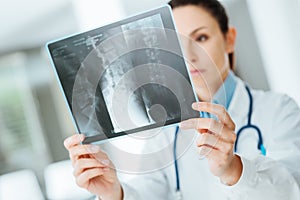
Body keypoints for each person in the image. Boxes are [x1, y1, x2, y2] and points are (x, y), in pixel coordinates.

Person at [64, 0, 300, 199]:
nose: (189, 55)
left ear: (229, 39)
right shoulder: (166, 130)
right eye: (176, 44)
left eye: (202, 37)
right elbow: (147, 192)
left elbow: (293, 189)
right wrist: (115, 194)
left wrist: (234, 169)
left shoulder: (279, 110)